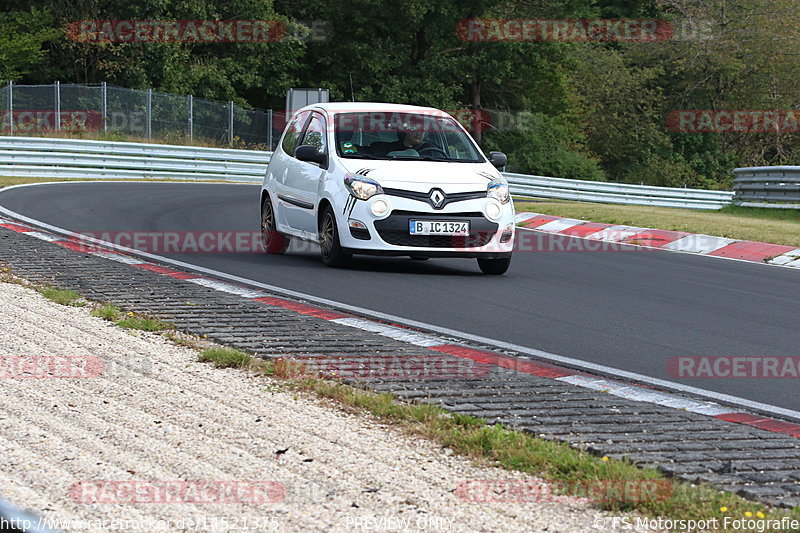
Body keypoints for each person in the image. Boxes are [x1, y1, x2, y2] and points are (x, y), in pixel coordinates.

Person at [368, 124, 435, 157]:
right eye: (414, 130)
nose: (419, 134)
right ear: (406, 131)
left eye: (422, 131)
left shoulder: (431, 150)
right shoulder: (389, 148)